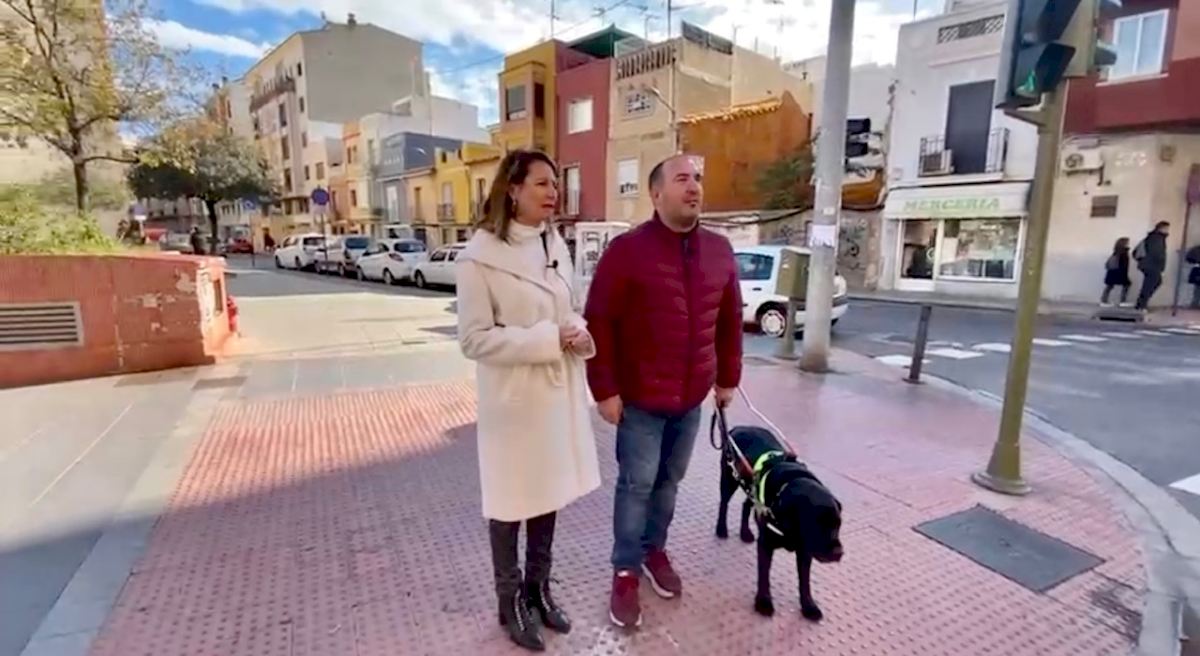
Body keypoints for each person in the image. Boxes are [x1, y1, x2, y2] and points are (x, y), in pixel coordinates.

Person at [584, 154, 743, 628]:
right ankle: (625, 570)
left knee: (669, 483)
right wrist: (605, 389)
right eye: (682, 179)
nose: (694, 187)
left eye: (698, 178)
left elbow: (730, 319)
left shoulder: (719, 249)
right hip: (640, 400)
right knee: (637, 486)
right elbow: (599, 321)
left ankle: (655, 551)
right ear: (656, 194)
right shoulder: (627, 251)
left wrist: (728, 378)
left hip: (690, 399)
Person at [455, 149, 601, 652]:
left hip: (555, 395)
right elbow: (473, 339)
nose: (552, 191)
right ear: (513, 190)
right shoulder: (478, 257)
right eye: (541, 183)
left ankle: (539, 589)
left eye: (555, 183)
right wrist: (547, 339)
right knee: (509, 500)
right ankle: (509, 599)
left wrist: (577, 333)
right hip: (512, 403)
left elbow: (569, 308)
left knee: (547, 492)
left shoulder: (554, 243)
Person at [1133, 221, 1169, 310]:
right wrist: (1161, 265)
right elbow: (1157, 253)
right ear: (1161, 228)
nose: (1167, 230)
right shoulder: (1157, 238)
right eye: (1166, 228)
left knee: (1149, 284)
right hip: (1152, 265)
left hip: (1147, 265)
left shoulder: (1152, 237)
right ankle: (1141, 304)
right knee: (1152, 283)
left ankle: (1141, 304)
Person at [1101, 237, 1133, 306]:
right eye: (1127, 242)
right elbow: (1124, 264)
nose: (1128, 244)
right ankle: (1122, 301)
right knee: (1125, 285)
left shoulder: (1117, 251)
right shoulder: (1123, 252)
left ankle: (1104, 300)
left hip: (1113, 272)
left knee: (1110, 285)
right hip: (1119, 272)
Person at [1186, 243, 1200, 309]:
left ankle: (1194, 303)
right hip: (1198, 269)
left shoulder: (1196, 249)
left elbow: (1189, 258)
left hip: (1197, 269)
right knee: (1197, 288)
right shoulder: (1197, 249)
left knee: (1197, 289)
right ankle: (1194, 303)